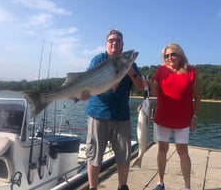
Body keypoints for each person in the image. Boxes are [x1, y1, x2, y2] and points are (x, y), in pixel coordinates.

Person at [83, 29, 144, 190]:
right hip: (97, 114)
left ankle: (122, 186)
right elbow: (86, 82)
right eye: (111, 40)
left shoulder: (131, 63)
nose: (114, 42)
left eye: (118, 40)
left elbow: (141, 87)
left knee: (123, 157)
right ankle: (92, 187)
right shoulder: (98, 59)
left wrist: (132, 74)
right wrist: (82, 94)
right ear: (106, 44)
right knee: (94, 155)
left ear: (122, 45)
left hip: (121, 116)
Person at [148, 43, 201, 190]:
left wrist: (194, 117)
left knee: (183, 151)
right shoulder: (161, 70)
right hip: (162, 118)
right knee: (162, 149)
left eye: (173, 54)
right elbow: (155, 93)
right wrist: (151, 86)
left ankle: (187, 187)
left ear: (180, 55)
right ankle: (160, 183)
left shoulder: (191, 71)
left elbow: (197, 97)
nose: (169, 58)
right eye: (166, 56)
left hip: (183, 119)